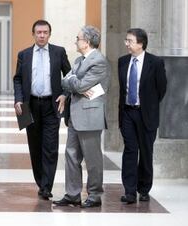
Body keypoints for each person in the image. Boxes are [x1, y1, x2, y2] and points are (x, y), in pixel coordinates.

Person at [53, 25, 110, 208]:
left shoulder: (99, 61)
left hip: (90, 116)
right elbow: (66, 80)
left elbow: (78, 85)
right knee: (71, 155)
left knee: (92, 158)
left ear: (86, 42)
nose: (75, 41)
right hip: (75, 115)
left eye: (77, 38)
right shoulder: (78, 60)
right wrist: (74, 83)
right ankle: (72, 194)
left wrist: (74, 83)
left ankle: (94, 194)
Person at [13, 20, 71, 200]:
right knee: (35, 146)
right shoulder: (24, 54)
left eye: (45, 32)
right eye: (38, 32)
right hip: (30, 106)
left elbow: (69, 76)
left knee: (50, 147)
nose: (42, 35)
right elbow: (17, 79)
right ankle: (40, 181)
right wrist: (18, 99)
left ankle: (46, 186)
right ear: (33, 34)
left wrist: (65, 94)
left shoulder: (58, 52)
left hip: (51, 105)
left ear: (49, 34)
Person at [118, 28, 167, 204]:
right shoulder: (122, 61)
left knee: (146, 152)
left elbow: (161, 89)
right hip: (128, 113)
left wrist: (149, 105)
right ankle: (129, 191)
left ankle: (144, 188)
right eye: (126, 40)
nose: (126, 44)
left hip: (146, 114)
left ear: (140, 43)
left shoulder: (155, 62)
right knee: (130, 150)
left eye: (129, 41)